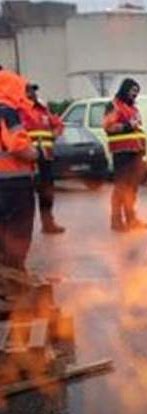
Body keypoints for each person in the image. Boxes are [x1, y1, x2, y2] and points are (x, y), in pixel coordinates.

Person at [0, 70, 38, 271]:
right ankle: (15, 288)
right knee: (17, 235)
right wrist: (36, 153)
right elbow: (18, 147)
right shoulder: (6, 112)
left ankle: (6, 286)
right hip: (13, 186)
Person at [103, 78, 147, 232]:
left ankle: (131, 219)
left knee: (132, 188)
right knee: (121, 187)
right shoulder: (114, 105)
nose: (135, 95)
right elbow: (108, 127)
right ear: (125, 90)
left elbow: (138, 129)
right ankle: (116, 221)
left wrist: (142, 148)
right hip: (121, 152)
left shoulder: (134, 109)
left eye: (137, 92)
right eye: (132, 91)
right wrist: (126, 126)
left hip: (135, 152)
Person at [21, 83, 65, 234]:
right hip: (25, 159)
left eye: (33, 90)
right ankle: (21, 229)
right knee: (24, 195)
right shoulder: (18, 109)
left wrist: (56, 133)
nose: (31, 93)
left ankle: (48, 223)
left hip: (45, 157)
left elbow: (58, 124)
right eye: (28, 90)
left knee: (47, 191)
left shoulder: (43, 110)